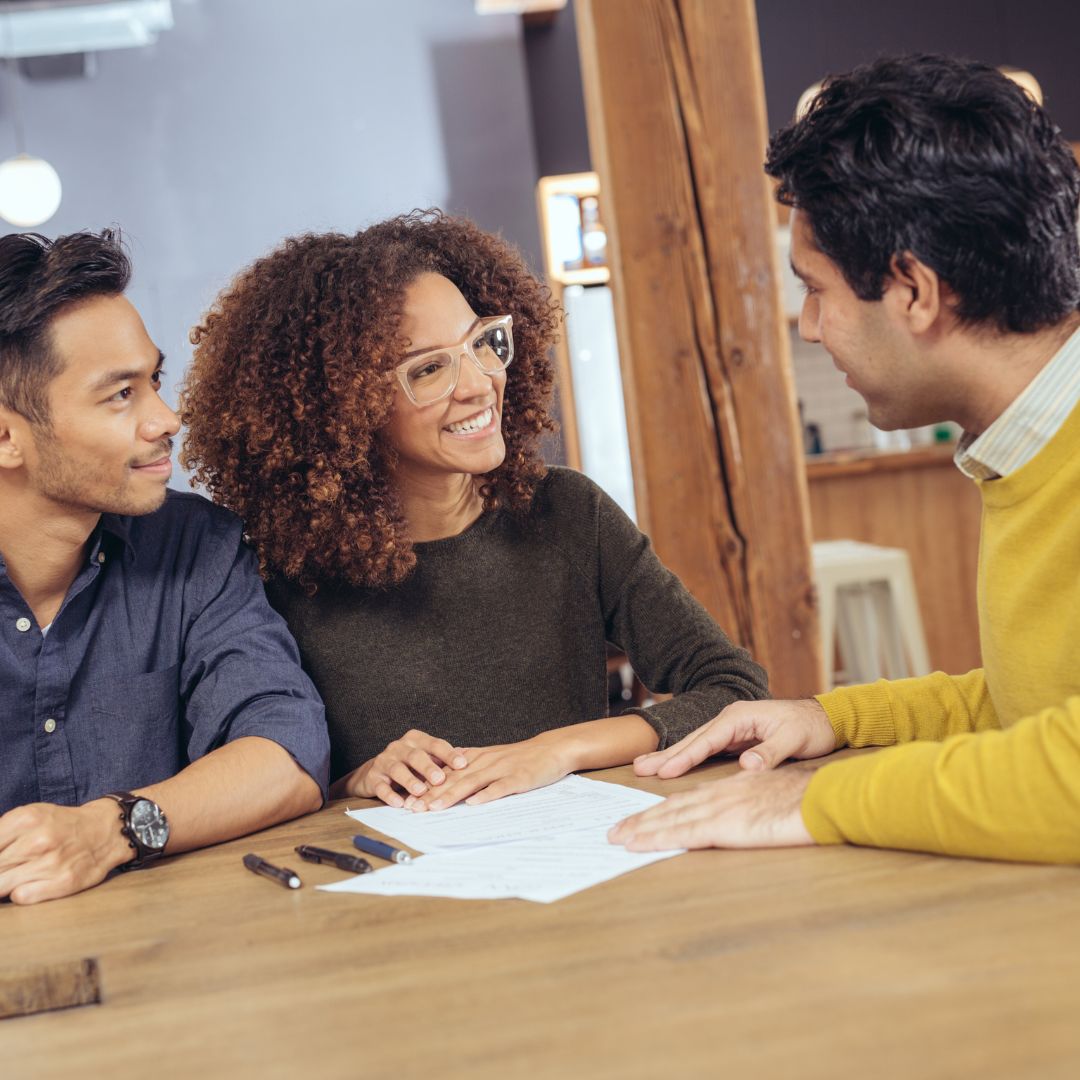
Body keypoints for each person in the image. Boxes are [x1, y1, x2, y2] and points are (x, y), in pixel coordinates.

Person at [611, 53, 1080, 864]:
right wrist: (833, 720)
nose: (807, 326)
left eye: (816, 288)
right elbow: (1035, 712)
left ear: (914, 292)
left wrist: (814, 799)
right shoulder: (1028, 446)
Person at [180, 210, 768, 811]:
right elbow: (249, 782)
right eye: (429, 368)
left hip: (576, 869)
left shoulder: (567, 513)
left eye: (482, 342)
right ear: (342, 412)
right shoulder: (280, 577)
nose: (480, 382)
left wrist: (556, 750)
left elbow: (734, 689)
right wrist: (348, 782)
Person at [0, 230, 329, 905]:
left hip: (169, 961)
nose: (167, 417)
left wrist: (116, 828)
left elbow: (287, 755)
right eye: (120, 395)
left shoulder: (195, 546)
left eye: (154, 379)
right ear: (7, 435)